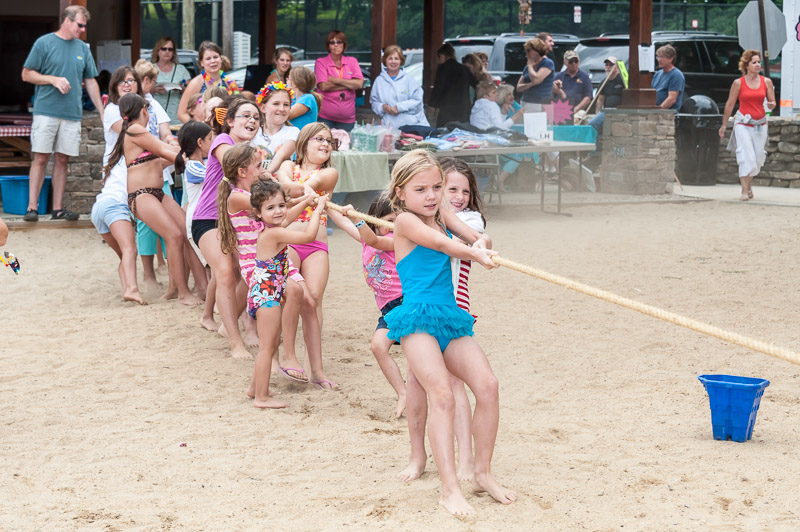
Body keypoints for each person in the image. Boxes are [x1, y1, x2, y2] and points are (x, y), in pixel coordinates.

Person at [384, 149, 514, 516]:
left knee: (488, 385)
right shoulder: (405, 221)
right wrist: (473, 253)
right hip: (418, 320)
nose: (431, 195)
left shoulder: (441, 212)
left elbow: (474, 235)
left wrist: (482, 244)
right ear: (400, 192)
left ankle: (482, 474)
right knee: (442, 395)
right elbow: (443, 244)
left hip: (449, 316)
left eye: (436, 187)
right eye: (420, 189)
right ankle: (449, 489)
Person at [102, 93, 202, 307]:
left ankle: (181, 288)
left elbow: (163, 155)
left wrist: (184, 152)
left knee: (186, 231)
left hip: (156, 193)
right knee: (174, 235)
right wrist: (189, 154)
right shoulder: (136, 129)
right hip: (142, 195)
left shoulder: (136, 132)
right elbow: (164, 150)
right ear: (144, 111)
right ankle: (183, 292)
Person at [245, 179, 327, 408]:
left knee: (271, 343)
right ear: (258, 213)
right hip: (267, 296)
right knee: (267, 347)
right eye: (270, 208)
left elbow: (289, 216)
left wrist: (307, 201)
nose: (279, 211)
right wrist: (317, 211)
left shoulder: (273, 228)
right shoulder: (273, 234)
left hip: (269, 292)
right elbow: (308, 236)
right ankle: (261, 397)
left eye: (281, 205)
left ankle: (254, 389)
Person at [326, 195, 407, 418]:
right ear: (375, 221)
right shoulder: (366, 237)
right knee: (378, 347)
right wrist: (326, 206)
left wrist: (358, 220)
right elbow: (345, 224)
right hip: (389, 309)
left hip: (405, 303)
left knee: (415, 353)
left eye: (397, 222)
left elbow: (373, 240)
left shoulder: (397, 240)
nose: (393, 227)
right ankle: (403, 393)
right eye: (388, 221)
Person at [191, 97, 260, 358]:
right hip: (208, 219)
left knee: (248, 271)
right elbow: (233, 164)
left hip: (233, 221)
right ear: (229, 121)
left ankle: (226, 324)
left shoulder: (251, 154)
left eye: (256, 118)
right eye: (245, 115)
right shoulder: (222, 141)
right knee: (225, 273)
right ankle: (235, 342)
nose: (252, 120)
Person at [21, 5, 103, 222]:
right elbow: (26, 74)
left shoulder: (83, 48)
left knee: (62, 159)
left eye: (84, 26)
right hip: (46, 111)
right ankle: (32, 208)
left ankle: (57, 209)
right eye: (80, 25)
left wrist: (102, 111)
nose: (83, 30)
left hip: (72, 114)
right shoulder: (44, 43)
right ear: (67, 20)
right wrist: (52, 79)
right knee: (41, 157)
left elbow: (91, 81)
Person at [276, 123, 339, 345]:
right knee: (285, 296)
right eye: (319, 139)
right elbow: (286, 185)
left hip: (316, 246)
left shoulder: (329, 173)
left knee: (313, 298)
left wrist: (301, 189)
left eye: (329, 141)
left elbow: (313, 183)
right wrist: (301, 191)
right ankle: (281, 351)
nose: (326, 144)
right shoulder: (287, 165)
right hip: (288, 242)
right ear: (304, 143)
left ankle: (313, 358)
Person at [91, 66, 146, 305]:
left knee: (125, 254)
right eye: (122, 81)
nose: (127, 84)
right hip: (114, 205)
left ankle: (127, 288)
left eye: (131, 80)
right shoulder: (115, 112)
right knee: (130, 250)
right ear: (114, 87)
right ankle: (132, 289)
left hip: (100, 207)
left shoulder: (124, 155)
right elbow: (132, 132)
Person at [719, 49, 776, 202]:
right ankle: (744, 191)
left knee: (757, 158)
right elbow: (730, 104)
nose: (757, 65)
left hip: (760, 124)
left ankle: (749, 186)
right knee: (746, 155)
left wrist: (771, 105)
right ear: (746, 65)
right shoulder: (738, 83)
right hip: (743, 123)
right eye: (754, 62)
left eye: (759, 62)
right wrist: (724, 124)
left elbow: (772, 102)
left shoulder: (766, 82)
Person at [470, 81, 524, 191]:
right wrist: (516, 116)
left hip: (479, 142)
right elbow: (500, 128)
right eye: (494, 92)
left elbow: (494, 125)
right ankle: (499, 181)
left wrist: (503, 113)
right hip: (491, 144)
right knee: (518, 155)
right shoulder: (492, 105)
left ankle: (497, 181)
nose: (497, 94)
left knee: (506, 155)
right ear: (486, 96)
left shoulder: (477, 105)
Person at [370, 45, 431, 133]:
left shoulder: (409, 79)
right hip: (390, 128)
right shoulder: (379, 81)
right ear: (385, 60)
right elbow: (374, 102)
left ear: (401, 61)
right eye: (390, 58)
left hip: (413, 127)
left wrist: (399, 108)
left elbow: (417, 101)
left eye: (396, 59)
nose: (393, 61)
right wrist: (382, 107)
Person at [178, 42, 240, 123]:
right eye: (208, 59)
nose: (213, 61)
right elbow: (182, 113)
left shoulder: (230, 82)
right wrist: (197, 127)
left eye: (215, 57)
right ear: (201, 63)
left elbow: (238, 108)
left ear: (221, 59)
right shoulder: (196, 83)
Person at [315, 30, 364, 132]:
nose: (336, 45)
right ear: (328, 46)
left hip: (347, 119)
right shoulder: (321, 62)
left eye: (339, 42)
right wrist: (349, 84)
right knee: (325, 142)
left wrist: (335, 80)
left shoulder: (352, 61)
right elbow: (324, 86)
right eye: (332, 42)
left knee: (345, 142)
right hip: (325, 117)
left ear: (344, 44)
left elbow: (359, 84)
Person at [254, 82, 299, 175]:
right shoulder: (253, 131)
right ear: (263, 108)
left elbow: (282, 155)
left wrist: (266, 174)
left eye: (286, 105)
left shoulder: (293, 132)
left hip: (278, 181)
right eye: (276, 104)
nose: (282, 109)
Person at [429, 43, 477, 127]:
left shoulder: (442, 68)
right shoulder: (464, 69)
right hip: (463, 107)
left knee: (444, 131)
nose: (438, 60)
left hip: (447, 107)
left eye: (439, 57)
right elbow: (476, 85)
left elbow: (438, 87)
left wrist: (432, 104)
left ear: (443, 55)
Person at [150, 36, 191, 125]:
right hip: (155, 117)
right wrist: (154, 89)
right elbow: (141, 91)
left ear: (173, 52)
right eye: (164, 49)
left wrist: (181, 88)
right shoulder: (150, 68)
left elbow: (190, 92)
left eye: (170, 49)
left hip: (177, 117)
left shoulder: (181, 69)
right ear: (158, 51)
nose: (167, 51)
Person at [516, 37, 554, 112]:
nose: (526, 53)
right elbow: (518, 88)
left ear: (537, 50)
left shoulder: (547, 63)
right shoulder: (527, 67)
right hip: (525, 101)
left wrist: (530, 66)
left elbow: (536, 79)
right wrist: (531, 84)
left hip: (540, 103)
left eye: (528, 50)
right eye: (525, 51)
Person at [589, 56, 624, 135]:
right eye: (606, 65)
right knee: (592, 123)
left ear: (617, 67)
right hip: (607, 111)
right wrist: (597, 115)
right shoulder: (604, 82)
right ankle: (594, 143)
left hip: (620, 111)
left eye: (611, 65)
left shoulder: (622, 80)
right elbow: (600, 101)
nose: (608, 67)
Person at [552, 50, 592, 115]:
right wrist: (556, 88)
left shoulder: (585, 77)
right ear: (565, 63)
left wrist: (576, 109)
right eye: (570, 61)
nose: (573, 63)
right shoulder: (558, 77)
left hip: (578, 111)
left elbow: (588, 97)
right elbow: (550, 96)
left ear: (579, 61)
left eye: (576, 61)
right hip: (560, 110)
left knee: (578, 117)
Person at [652, 44, 685, 111]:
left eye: (662, 57)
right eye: (658, 57)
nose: (659, 60)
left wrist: (657, 112)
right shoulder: (657, 74)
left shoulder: (676, 75)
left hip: (668, 114)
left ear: (671, 59)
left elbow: (671, 99)